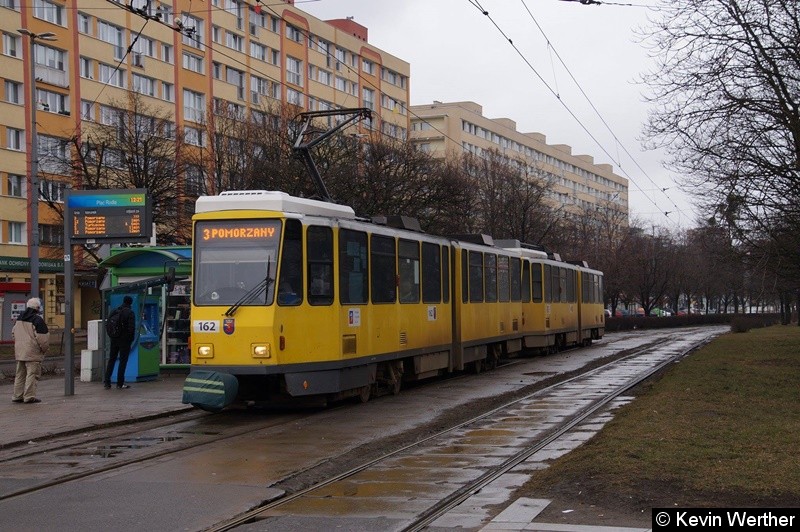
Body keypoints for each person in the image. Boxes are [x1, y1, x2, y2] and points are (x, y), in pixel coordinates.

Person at [12, 297, 50, 404]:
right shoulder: (37, 320)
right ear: (37, 308)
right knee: (32, 375)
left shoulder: (19, 318)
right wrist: (44, 350)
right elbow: (43, 339)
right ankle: (29, 396)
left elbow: (13, 334)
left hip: (20, 352)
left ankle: (17, 395)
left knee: (20, 374)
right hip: (33, 352)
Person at [104, 295, 136, 390]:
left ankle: (107, 382)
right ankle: (120, 383)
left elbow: (108, 324)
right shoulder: (130, 313)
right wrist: (130, 340)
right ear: (130, 303)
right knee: (123, 361)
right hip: (124, 341)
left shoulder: (115, 311)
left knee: (112, 360)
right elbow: (131, 329)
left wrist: (112, 336)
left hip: (114, 339)